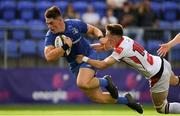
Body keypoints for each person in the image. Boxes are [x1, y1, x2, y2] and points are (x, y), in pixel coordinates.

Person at [44, 6, 143, 114]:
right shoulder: (50, 36)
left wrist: (100, 38)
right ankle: (127, 100)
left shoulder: (74, 25)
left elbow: (93, 29)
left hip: (89, 54)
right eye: (47, 23)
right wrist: (65, 47)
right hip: (74, 63)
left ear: (59, 20)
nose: (50, 26)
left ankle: (106, 82)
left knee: (82, 83)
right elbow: (48, 56)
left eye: (51, 23)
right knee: (98, 98)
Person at [76, 24, 180, 114]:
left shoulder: (121, 50)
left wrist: (84, 58)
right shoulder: (124, 39)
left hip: (157, 75)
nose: (105, 38)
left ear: (114, 36)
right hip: (162, 63)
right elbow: (104, 47)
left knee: (162, 108)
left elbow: (102, 65)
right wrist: (86, 47)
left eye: (107, 36)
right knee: (175, 80)